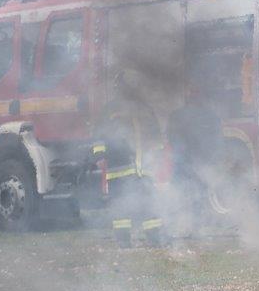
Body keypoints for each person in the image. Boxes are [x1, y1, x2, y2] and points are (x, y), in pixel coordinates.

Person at [92, 70, 164, 247]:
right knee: (121, 206)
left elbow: (155, 135)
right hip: (119, 167)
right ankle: (124, 242)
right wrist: (100, 155)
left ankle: (155, 239)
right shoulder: (110, 109)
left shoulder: (145, 109)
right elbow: (99, 134)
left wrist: (158, 154)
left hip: (144, 168)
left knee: (148, 204)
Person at [167, 84, 223, 236]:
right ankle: (185, 224)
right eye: (192, 92)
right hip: (185, 161)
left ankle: (194, 225)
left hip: (197, 161)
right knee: (185, 192)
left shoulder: (209, 116)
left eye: (195, 92)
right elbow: (172, 138)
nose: (193, 96)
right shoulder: (178, 116)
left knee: (196, 192)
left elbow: (216, 139)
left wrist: (210, 157)